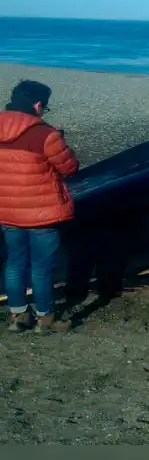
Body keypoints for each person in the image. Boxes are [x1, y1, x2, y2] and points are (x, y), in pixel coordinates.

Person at [0, 80, 79, 333]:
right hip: (42, 214)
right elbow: (70, 168)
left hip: (7, 211)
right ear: (37, 105)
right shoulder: (46, 134)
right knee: (41, 267)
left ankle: (17, 316)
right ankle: (45, 319)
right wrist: (61, 140)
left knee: (14, 263)